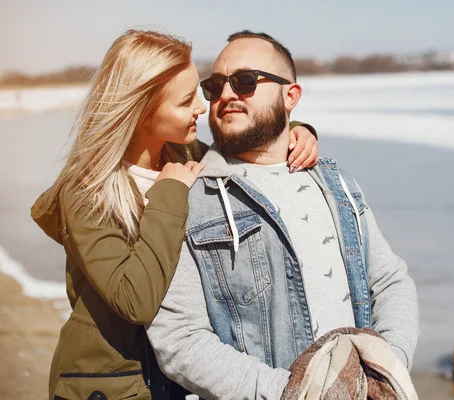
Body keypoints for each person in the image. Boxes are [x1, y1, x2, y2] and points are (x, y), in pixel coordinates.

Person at [30, 29, 319, 400]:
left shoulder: (184, 154)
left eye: (198, 93)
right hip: (112, 386)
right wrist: (170, 193)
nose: (201, 107)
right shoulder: (87, 190)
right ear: (142, 110)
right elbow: (135, 299)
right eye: (185, 102)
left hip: (178, 379)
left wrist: (296, 130)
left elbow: (241, 146)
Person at [146, 30, 419, 399]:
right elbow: (178, 338)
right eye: (215, 86)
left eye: (244, 81)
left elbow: (389, 282)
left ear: (290, 97)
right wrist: (293, 393)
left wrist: (385, 368)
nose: (226, 95)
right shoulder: (188, 198)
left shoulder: (336, 183)